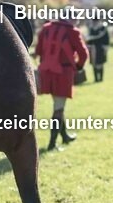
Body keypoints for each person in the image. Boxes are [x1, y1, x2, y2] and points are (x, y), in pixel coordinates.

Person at [34, 16, 89, 151]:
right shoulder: (73, 31)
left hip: (45, 72)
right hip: (63, 74)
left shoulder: (46, 28)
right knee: (59, 108)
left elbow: (38, 51)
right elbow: (83, 54)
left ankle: (64, 136)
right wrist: (78, 67)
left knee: (58, 105)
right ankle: (52, 144)